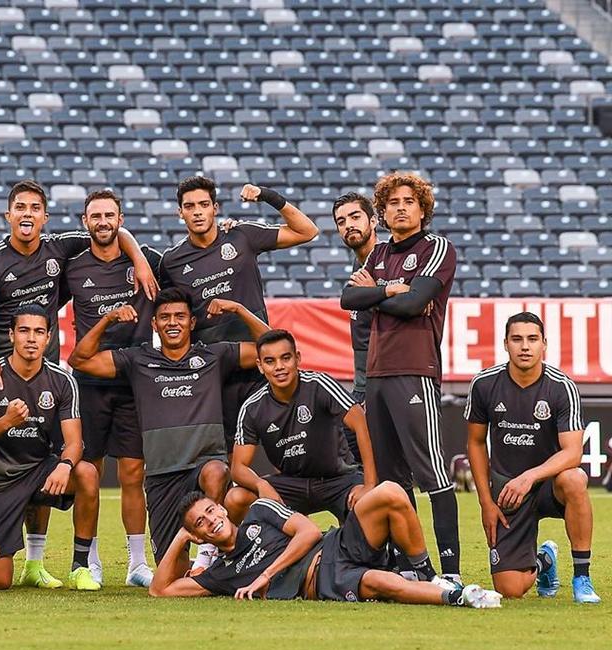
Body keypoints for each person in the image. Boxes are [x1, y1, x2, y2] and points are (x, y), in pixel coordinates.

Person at [0, 179, 155, 587]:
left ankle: (41, 562)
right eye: (20, 207)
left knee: (45, 457)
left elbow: (110, 231)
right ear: (8, 214)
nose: (27, 214)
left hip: (49, 375)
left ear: (45, 217)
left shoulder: (60, 248)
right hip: (2, 373)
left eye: (35, 208)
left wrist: (140, 258)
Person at [69, 287, 269, 568]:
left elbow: (272, 348)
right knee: (171, 572)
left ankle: (207, 556)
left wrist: (239, 309)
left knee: (216, 470)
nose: (172, 322)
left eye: (180, 316)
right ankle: (194, 566)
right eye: (165, 317)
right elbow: (79, 360)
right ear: (154, 324)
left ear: (192, 322)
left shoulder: (214, 355)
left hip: (202, 468)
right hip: (161, 479)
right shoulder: (138, 359)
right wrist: (107, 319)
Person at [339, 172, 461, 581]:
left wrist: (378, 293)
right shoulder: (377, 253)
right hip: (375, 375)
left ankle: (452, 573)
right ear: (383, 212)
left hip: (415, 370)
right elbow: (348, 298)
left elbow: (415, 304)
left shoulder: (436, 247)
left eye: (409, 201)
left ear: (423, 209)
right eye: (393, 203)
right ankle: (412, 567)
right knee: (391, 478)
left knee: (432, 472)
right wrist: (393, 291)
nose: (401, 208)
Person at [148, 485, 501, 609]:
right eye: (200, 523)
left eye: (210, 511)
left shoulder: (259, 511)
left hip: (336, 543)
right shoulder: (219, 575)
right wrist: (181, 538)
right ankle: (459, 597)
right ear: (199, 536)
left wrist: (265, 576)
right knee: (381, 583)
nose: (210, 521)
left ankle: (429, 576)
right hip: (323, 580)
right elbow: (160, 590)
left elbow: (307, 531)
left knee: (390, 493)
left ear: (222, 508)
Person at [158, 177, 318, 446]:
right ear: (180, 212)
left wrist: (266, 195)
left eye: (203, 204)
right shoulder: (171, 262)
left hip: (259, 361)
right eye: (189, 206)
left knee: (285, 445)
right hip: (214, 369)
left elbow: (307, 231)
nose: (197, 212)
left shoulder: (241, 235)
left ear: (215, 208)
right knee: (227, 449)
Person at [0, 305, 101, 591]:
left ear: (49, 338)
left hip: (37, 472)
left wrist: (65, 466)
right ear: (11, 335)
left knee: (86, 472)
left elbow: (74, 442)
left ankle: (80, 567)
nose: (31, 338)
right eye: (24, 331)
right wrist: (6, 422)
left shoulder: (62, 380)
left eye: (39, 332)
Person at [62, 189, 161, 587]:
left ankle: (137, 563)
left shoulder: (148, 261)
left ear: (121, 220)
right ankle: (90, 560)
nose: (102, 222)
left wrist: (138, 258)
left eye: (109, 215)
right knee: (89, 472)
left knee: (133, 472)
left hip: (135, 382)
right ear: (84, 221)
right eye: (95, 216)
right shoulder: (72, 266)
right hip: (90, 382)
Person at [465, 312, 600, 603]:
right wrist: (486, 502)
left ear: (544, 344)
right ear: (505, 344)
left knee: (575, 478)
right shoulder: (484, 384)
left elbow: (573, 452)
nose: (525, 346)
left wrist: (530, 476)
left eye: (532, 339)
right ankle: (545, 561)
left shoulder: (561, 387)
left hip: (549, 485)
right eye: (517, 339)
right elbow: (475, 443)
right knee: (509, 589)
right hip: (508, 492)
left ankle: (582, 577)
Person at [226, 329, 377, 525]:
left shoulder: (319, 384)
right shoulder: (252, 407)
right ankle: (250, 546)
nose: (279, 367)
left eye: (285, 358)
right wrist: (260, 484)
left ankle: (354, 539)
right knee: (236, 498)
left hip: (337, 479)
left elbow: (361, 424)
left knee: (370, 502)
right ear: (260, 366)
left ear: (297, 358)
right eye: (270, 361)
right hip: (291, 485)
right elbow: (238, 467)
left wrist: (370, 484)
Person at [333, 192, 377, 462]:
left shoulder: (388, 263)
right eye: (341, 221)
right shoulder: (359, 263)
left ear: (373, 221)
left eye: (355, 217)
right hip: (362, 384)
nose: (348, 225)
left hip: (383, 383)